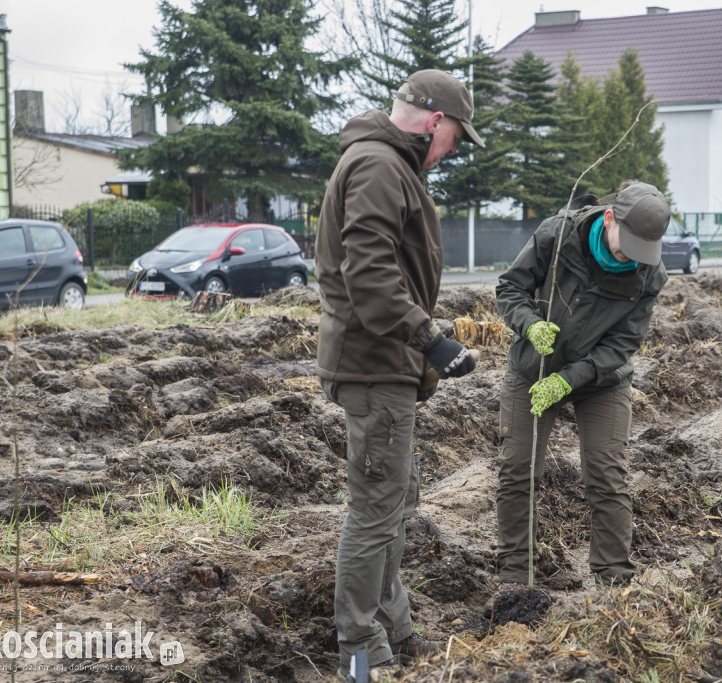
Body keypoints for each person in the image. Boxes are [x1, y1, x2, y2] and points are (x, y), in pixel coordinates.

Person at [315, 69, 484, 680]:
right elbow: (370, 276)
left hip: (384, 364)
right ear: (436, 120)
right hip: (375, 363)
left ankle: (393, 627)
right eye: (457, 137)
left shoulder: (388, 164)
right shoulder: (381, 166)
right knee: (375, 508)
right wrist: (431, 340)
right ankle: (359, 651)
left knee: (397, 500)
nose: (454, 149)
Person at [493, 181, 670, 595]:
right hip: (533, 368)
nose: (630, 257)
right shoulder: (557, 236)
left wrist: (569, 379)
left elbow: (623, 344)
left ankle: (615, 586)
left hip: (601, 379)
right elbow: (510, 288)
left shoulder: (649, 273)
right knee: (519, 470)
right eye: (626, 245)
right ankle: (516, 579)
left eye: (642, 250)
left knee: (608, 474)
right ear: (610, 218)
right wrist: (529, 324)